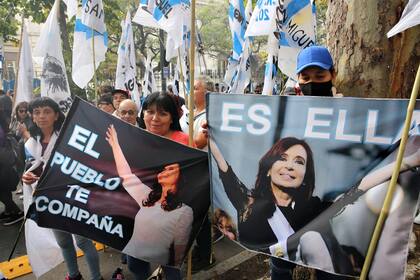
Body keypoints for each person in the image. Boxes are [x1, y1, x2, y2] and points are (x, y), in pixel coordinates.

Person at [22, 97, 102, 280]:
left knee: (83, 241)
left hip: (73, 196)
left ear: (56, 115)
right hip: (50, 199)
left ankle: (97, 277)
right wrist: (26, 178)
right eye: (37, 112)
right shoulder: (29, 144)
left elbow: (83, 166)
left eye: (47, 111)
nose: (41, 116)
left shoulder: (70, 137)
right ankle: (74, 275)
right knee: (63, 241)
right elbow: (29, 168)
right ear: (32, 117)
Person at [118, 91, 193, 280]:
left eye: (162, 113)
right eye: (150, 111)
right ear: (142, 114)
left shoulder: (183, 141)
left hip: (170, 217)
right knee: (136, 264)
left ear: (172, 118)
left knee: (171, 266)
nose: (155, 118)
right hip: (138, 212)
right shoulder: (136, 138)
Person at [179, 77, 215, 271]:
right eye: (190, 88)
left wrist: (177, 142)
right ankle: (200, 250)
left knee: (200, 215)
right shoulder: (188, 113)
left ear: (206, 91)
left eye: (195, 88)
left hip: (202, 170)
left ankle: (207, 255)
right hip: (188, 170)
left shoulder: (210, 114)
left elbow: (198, 143)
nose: (191, 91)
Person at [0, 97, 23, 226]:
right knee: (3, 187)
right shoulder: (3, 119)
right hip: (4, 159)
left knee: (1, 188)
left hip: (3, 160)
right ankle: (9, 210)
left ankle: (16, 211)